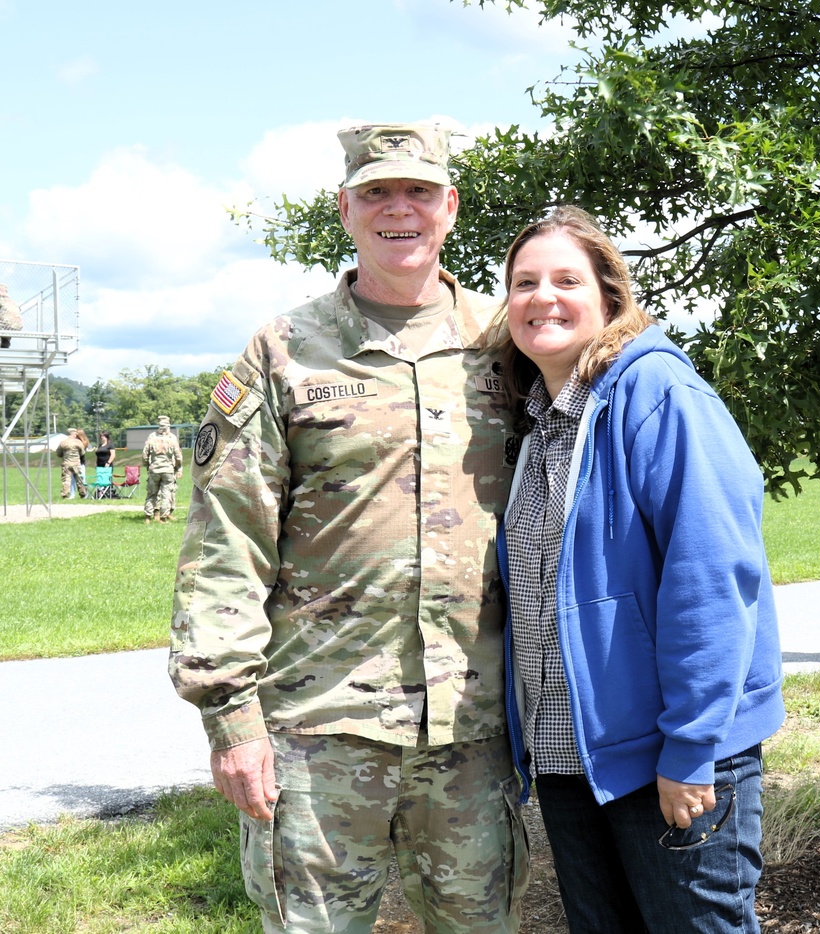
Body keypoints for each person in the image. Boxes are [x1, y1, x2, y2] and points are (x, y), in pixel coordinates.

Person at [168, 123, 526, 934]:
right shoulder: (286, 349)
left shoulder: (509, 340)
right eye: (376, 192)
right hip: (319, 729)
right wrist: (230, 720)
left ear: (450, 207)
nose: (398, 209)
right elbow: (228, 539)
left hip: (474, 727)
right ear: (345, 209)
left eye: (419, 192)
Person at [491, 206, 785, 934]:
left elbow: (713, 575)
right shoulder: (540, 417)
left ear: (609, 297)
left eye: (566, 279)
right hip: (568, 753)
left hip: (665, 757)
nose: (542, 297)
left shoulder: (657, 394)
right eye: (523, 282)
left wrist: (691, 749)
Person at [142, 415, 183, 524]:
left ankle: (147, 516)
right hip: (168, 470)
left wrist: (147, 465)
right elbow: (178, 457)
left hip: (154, 469)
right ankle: (163, 517)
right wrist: (178, 467)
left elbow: (144, 455)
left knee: (151, 494)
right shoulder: (172, 440)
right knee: (166, 495)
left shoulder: (152, 439)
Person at [55, 429, 87, 499]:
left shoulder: (63, 442)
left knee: (66, 479)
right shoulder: (78, 442)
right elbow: (82, 453)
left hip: (66, 463)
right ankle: (83, 494)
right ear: (73, 434)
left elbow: (58, 453)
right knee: (79, 479)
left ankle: (65, 494)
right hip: (76, 463)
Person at [0, 282, 23, 349]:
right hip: (17, 326)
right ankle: (5, 347)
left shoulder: (1, 299)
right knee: (6, 331)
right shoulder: (11, 301)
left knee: (4, 324)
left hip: (4, 325)